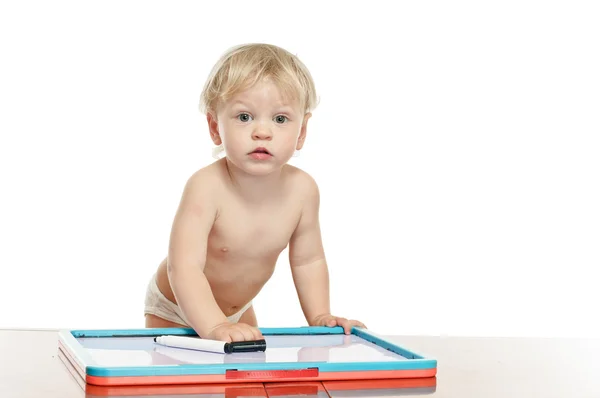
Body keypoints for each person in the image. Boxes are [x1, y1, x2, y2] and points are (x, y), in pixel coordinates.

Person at [144, 43, 366, 342]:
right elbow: (183, 266)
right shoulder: (206, 186)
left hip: (239, 308)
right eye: (245, 117)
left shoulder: (303, 190)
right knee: (179, 380)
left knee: (245, 377)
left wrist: (319, 316)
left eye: (280, 119)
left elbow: (308, 260)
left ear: (301, 132)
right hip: (176, 305)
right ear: (214, 126)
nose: (262, 132)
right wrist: (213, 326)